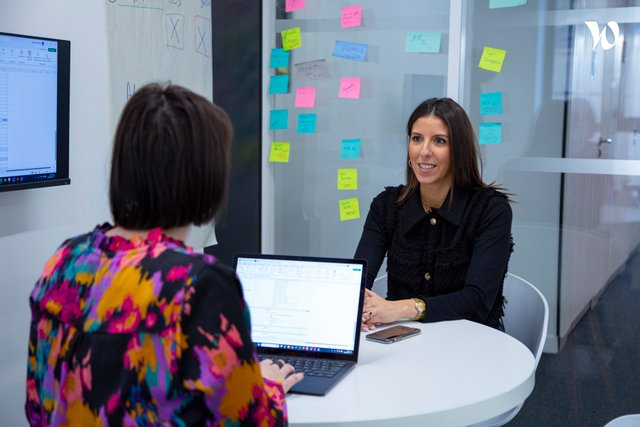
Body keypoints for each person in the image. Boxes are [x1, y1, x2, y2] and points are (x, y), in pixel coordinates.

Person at [25, 83, 303, 426]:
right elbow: (254, 422)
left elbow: (38, 404)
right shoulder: (199, 285)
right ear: (206, 177)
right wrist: (270, 386)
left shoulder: (66, 260)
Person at [355, 97, 513, 331]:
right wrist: (359, 308)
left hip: (472, 343)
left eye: (439, 141)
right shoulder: (386, 206)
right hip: (403, 343)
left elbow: (477, 301)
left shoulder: (490, 209)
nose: (424, 151)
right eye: (417, 139)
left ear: (459, 150)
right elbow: (356, 282)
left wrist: (400, 309)